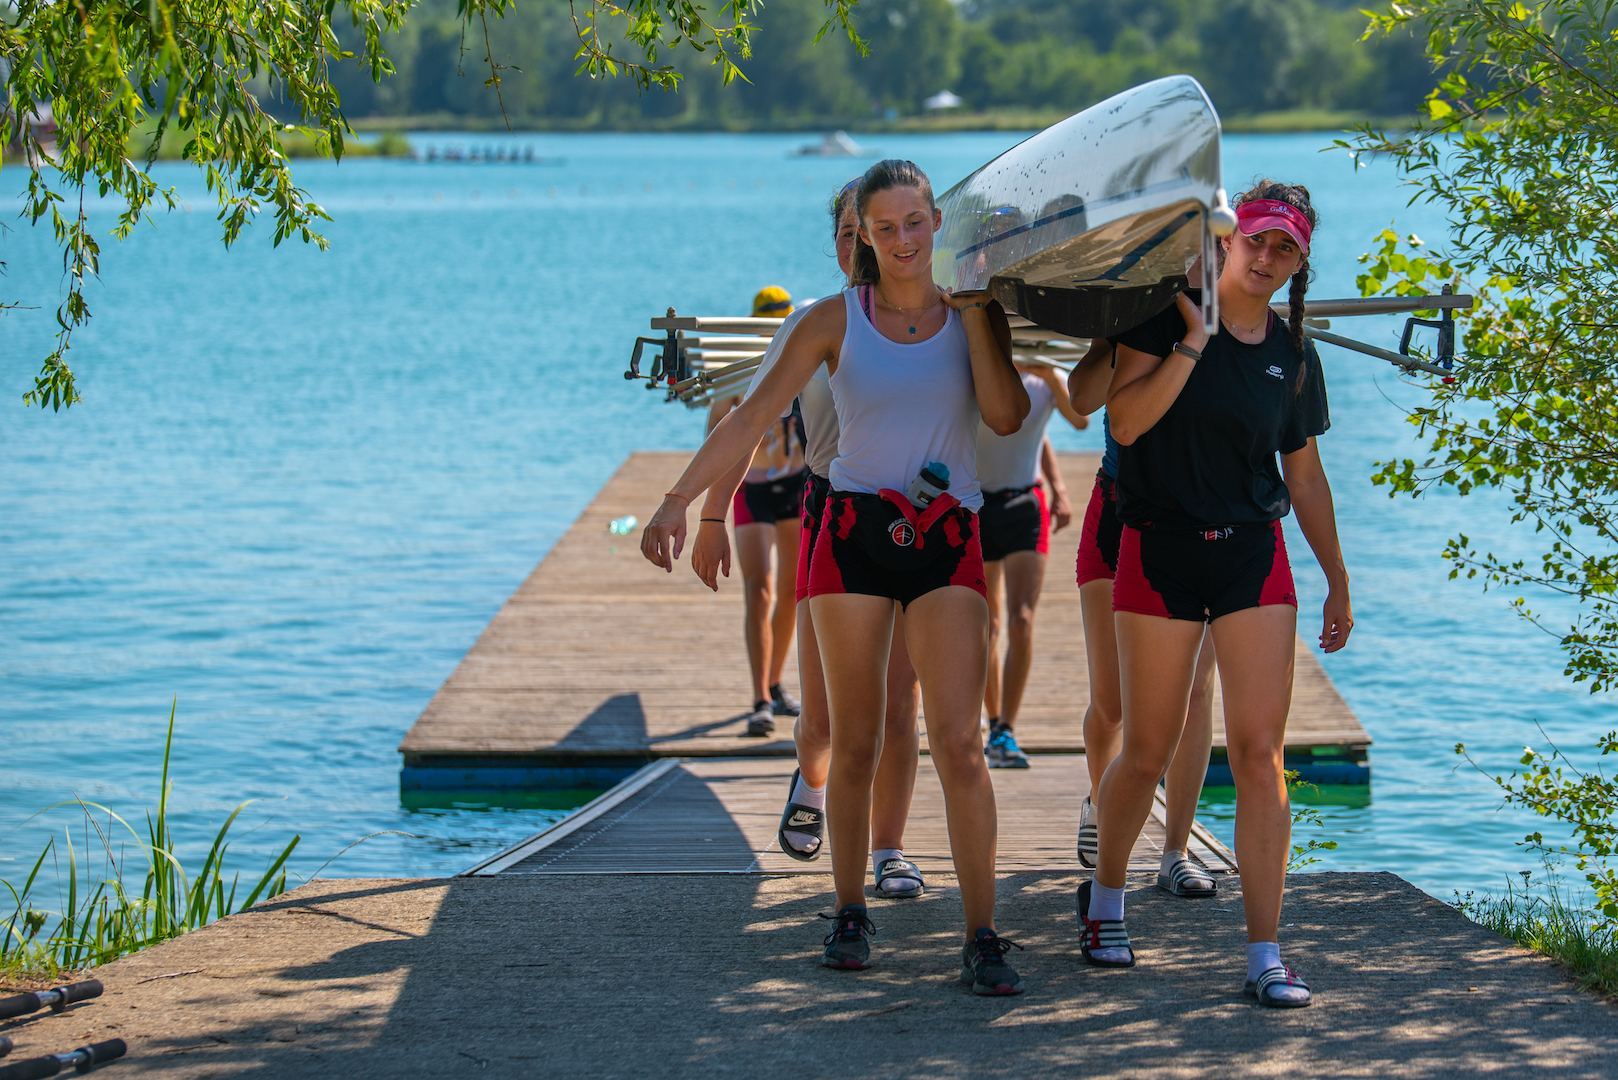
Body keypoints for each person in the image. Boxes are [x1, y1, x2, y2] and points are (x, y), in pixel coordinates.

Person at [643, 159, 1031, 995]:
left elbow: (1003, 418)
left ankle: (984, 932)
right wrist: (684, 503)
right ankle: (850, 910)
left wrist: (979, 323)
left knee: (960, 741)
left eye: (914, 224)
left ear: (937, 222)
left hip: (946, 538)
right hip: (852, 534)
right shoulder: (830, 320)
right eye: (882, 228)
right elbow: (751, 415)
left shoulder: (969, 314)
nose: (900, 242)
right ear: (862, 235)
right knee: (853, 738)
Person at [1079, 181, 1350, 1010]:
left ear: (1300, 261)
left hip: (1250, 557)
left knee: (1262, 751)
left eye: (1286, 250)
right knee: (1149, 747)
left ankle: (1265, 952)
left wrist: (1338, 577)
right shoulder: (1164, 316)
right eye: (1257, 241)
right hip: (1158, 548)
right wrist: (1193, 344)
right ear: (1229, 240)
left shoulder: (1294, 355)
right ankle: (1106, 899)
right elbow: (1123, 424)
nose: (1266, 259)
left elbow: (1301, 472)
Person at [689, 183, 926, 900]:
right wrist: (707, 513)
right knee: (823, 718)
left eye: (878, 229)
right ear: (838, 244)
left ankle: (889, 849)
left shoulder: (931, 317)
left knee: (899, 702)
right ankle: (812, 778)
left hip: (916, 520)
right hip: (829, 511)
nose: (863, 246)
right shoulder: (814, 323)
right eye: (849, 233)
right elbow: (750, 419)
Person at [1069, 336, 1222, 901]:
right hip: (1118, 510)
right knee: (1111, 703)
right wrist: (1115, 334)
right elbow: (1081, 399)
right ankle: (1099, 799)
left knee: (1194, 694)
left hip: (1195, 519)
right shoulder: (1134, 319)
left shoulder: (1221, 319)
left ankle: (1176, 852)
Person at [699, 286, 806, 737]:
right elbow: (714, 437)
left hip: (796, 484)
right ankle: (760, 697)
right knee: (758, 589)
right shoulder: (736, 369)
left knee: (790, 591)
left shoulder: (802, 358)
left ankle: (777, 683)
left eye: (781, 319)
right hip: (751, 487)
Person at [977, 366, 1088, 768]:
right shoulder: (980, 367)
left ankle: (1007, 726)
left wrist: (1058, 488)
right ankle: (991, 723)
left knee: (1022, 619)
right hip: (976, 507)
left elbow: (1079, 420)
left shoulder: (1046, 379)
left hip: (1026, 506)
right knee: (987, 625)